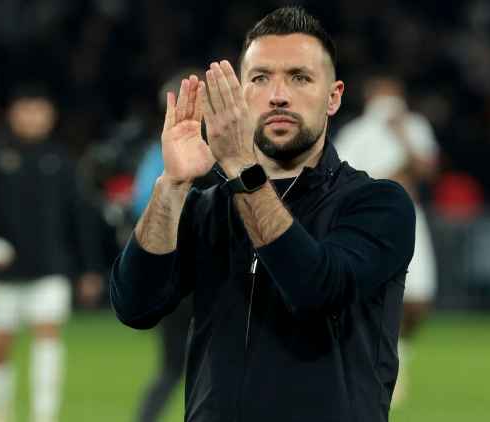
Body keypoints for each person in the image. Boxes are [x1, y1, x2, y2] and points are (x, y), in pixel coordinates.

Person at [110, 6, 415, 422]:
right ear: (241, 95)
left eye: (299, 77)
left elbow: (316, 289)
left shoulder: (378, 204)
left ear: (334, 97)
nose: (278, 95)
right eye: (260, 78)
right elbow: (134, 306)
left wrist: (241, 168)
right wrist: (172, 184)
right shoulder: (206, 208)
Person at [0, 85, 104, 422]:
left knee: (48, 337)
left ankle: (44, 415)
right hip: (3, 272)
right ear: (13, 113)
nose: (33, 117)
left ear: (50, 115)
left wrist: (90, 268)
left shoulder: (61, 160)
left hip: (50, 269)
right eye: (26, 110)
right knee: (1, 342)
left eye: (40, 110)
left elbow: (80, 217)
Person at [334, 75, 438, 405]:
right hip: (371, 222)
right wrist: (387, 178)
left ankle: (398, 351)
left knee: (419, 297)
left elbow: (427, 170)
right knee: (369, 294)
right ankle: (368, 364)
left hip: (411, 216)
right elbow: (344, 180)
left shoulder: (415, 126)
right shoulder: (356, 133)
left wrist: (402, 137)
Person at [132, 74, 220, 422]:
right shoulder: (166, 154)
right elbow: (145, 208)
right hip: (186, 273)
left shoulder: (226, 151)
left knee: (184, 368)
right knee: (181, 366)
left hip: (197, 272)